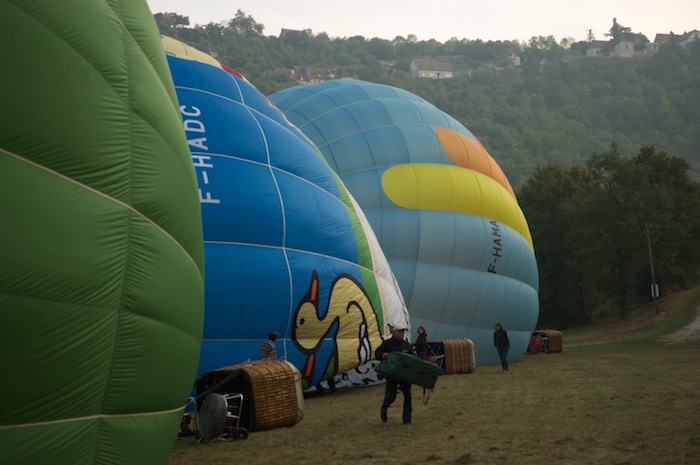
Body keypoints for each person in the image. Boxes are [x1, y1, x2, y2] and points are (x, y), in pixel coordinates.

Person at [375, 322, 414, 424]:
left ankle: (407, 419)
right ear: (395, 332)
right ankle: (384, 409)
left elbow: (414, 359)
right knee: (391, 397)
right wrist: (383, 354)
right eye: (400, 332)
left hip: (404, 375)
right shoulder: (387, 344)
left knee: (407, 396)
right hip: (392, 375)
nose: (402, 334)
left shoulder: (407, 345)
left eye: (403, 332)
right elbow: (377, 353)